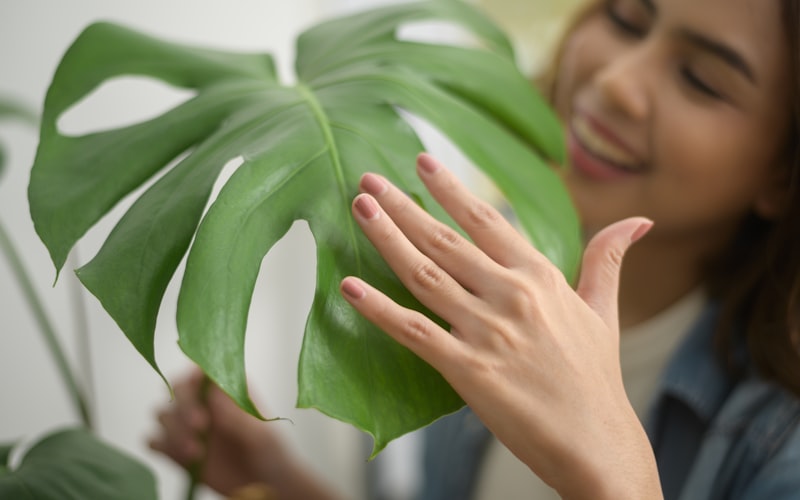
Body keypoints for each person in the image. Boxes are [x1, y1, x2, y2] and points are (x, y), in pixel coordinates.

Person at [149, 0, 800, 498]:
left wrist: (611, 472)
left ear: (782, 169)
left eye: (702, 79)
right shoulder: (478, 288)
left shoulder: (780, 435)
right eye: (627, 17)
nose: (616, 84)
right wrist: (284, 485)